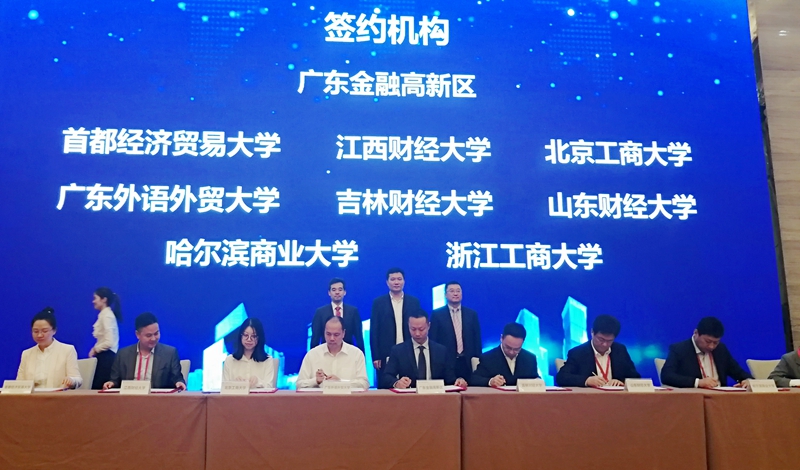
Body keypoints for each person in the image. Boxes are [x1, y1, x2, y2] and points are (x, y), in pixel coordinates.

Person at [379, 310, 468, 389]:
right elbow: (387, 377)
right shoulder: (398, 351)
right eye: (413, 329)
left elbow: (450, 378)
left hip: (436, 396)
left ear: (429, 326)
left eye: (421, 329)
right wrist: (397, 383)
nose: (417, 333)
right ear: (408, 326)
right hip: (409, 397)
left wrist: (458, 381)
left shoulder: (441, 351)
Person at [102, 312, 186, 390]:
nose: (153, 338)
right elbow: (115, 379)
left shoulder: (170, 353)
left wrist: (179, 383)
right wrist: (111, 383)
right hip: (129, 397)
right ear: (137, 334)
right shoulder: (123, 354)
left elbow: (177, 378)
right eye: (149, 335)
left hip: (156, 399)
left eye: (156, 333)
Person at [661, 317, 752, 388]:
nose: (711, 346)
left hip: (721, 398)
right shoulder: (679, 349)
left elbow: (739, 372)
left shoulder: (721, 349)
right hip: (695, 399)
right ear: (696, 333)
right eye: (708, 341)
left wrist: (747, 381)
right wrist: (698, 382)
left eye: (715, 342)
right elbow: (667, 376)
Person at [556, 314, 640, 387]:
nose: (605, 344)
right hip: (590, 398)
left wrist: (622, 381)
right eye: (601, 339)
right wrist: (587, 380)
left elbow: (635, 377)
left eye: (609, 341)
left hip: (617, 397)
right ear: (592, 332)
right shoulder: (578, 353)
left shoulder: (620, 350)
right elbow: (562, 377)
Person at [17, 307, 82, 389]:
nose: (39, 335)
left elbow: (77, 379)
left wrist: (71, 380)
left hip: (57, 395)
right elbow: (19, 382)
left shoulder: (67, 350)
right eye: (35, 331)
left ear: (54, 330)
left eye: (44, 331)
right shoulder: (26, 354)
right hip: (32, 396)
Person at [297, 316, 369, 389]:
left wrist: (341, 383)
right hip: (320, 396)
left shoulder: (356, 354)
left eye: (336, 335)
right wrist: (315, 381)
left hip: (346, 396)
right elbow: (299, 385)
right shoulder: (312, 354)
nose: (332, 338)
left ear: (343, 333)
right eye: (328, 334)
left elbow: (364, 384)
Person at [370, 267, 421, 371]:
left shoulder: (413, 302)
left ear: (404, 281)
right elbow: (374, 331)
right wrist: (376, 356)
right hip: (386, 351)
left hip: (409, 349)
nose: (396, 282)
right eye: (393, 279)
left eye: (399, 279)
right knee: (387, 379)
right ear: (387, 282)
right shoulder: (378, 303)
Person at [430, 281, 482, 381]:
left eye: (458, 291)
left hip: (467, 361)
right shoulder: (437, 315)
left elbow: (477, 339)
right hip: (446, 361)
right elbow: (434, 339)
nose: (455, 293)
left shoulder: (471, 314)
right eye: (452, 291)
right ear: (445, 295)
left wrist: (478, 359)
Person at [472, 323, 539, 387]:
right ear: (501, 338)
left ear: (523, 342)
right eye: (508, 347)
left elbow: (535, 378)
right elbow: (474, 379)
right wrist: (490, 381)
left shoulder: (530, 359)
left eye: (516, 349)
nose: (511, 352)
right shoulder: (487, 358)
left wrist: (538, 382)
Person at [309, 278, 364, 352]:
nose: (337, 292)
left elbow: (359, 337)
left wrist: (362, 355)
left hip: (348, 353)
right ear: (329, 293)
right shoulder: (320, 312)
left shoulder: (353, 312)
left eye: (340, 289)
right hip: (326, 353)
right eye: (334, 290)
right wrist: (313, 355)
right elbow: (315, 338)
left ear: (344, 292)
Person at [222, 318, 275, 388]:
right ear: (240, 336)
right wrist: (234, 384)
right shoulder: (230, 360)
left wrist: (258, 382)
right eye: (246, 335)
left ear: (259, 338)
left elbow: (270, 387)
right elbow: (224, 388)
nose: (249, 339)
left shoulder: (267, 360)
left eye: (253, 336)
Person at [88, 287, 122, 389]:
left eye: (95, 298)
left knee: (99, 388)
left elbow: (109, 341)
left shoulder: (107, 316)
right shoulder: (104, 315)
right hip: (104, 357)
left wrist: (95, 349)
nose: (93, 301)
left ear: (104, 299)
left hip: (106, 359)